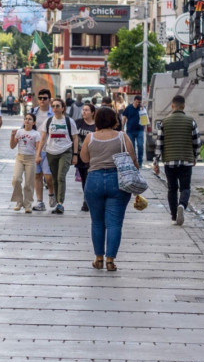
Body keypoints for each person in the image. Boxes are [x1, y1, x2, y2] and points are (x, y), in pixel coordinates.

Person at [80, 107, 137, 272]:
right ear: (114, 120)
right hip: (117, 181)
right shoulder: (122, 137)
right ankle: (110, 260)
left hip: (94, 181)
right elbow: (132, 158)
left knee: (97, 222)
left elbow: (84, 158)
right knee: (114, 223)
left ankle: (98, 258)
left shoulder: (90, 137)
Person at [153, 94, 201, 226]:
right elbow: (197, 142)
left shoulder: (164, 122)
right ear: (184, 106)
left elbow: (159, 144)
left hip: (169, 161)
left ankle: (174, 216)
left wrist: (156, 162)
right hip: (186, 161)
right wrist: (195, 157)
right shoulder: (190, 121)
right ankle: (182, 205)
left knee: (172, 189)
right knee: (185, 188)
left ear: (172, 106)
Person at [36, 97, 78, 214]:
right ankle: (55, 198)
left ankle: (60, 203)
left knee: (61, 176)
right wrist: (38, 154)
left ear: (63, 108)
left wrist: (75, 154)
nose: (55, 108)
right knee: (54, 177)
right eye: (53, 106)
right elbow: (43, 138)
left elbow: (75, 138)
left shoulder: (69, 121)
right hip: (51, 152)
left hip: (65, 151)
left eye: (57, 106)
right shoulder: (48, 121)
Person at [30, 89, 56, 210]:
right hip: (34, 149)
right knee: (37, 175)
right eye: (40, 98)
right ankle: (40, 202)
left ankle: (51, 193)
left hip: (48, 149)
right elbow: (26, 127)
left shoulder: (53, 113)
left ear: (49, 100)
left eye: (44, 98)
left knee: (48, 177)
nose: (42, 100)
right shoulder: (33, 112)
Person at [9, 113, 40, 212]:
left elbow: (38, 147)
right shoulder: (19, 132)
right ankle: (19, 201)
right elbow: (12, 146)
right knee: (16, 179)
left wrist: (38, 156)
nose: (27, 121)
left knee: (28, 183)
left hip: (31, 159)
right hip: (20, 158)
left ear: (33, 122)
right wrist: (12, 136)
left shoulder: (36, 134)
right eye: (25, 119)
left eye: (30, 119)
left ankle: (28, 204)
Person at [75, 102, 97, 212]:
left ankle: (88, 201)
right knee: (84, 179)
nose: (84, 112)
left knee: (90, 179)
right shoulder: (78, 123)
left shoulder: (96, 125)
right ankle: (86, 199)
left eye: (87, 110)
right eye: (83, 110)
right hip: (80, 156)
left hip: (93, 157)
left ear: (92, 113)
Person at [121, 95, 147, 166]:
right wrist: (122, 128)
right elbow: (124, 118)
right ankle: (133, 161)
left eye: (140, 102)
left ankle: (140, 162)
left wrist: (144, 127)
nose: (138, 104)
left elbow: (145, 118)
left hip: (140, 130)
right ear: (134, 100)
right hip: (130, 131)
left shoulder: (142, 108)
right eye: (138, 102)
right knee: (131, 147)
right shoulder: (128, 108)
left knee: (140, 145)